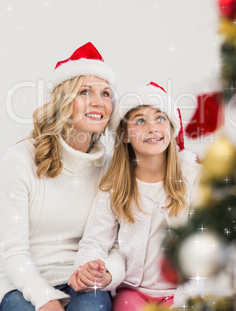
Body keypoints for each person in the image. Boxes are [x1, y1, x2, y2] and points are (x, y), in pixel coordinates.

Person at [0, 42, 125, 311]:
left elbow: (117, 246)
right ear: (63, 102)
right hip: (22, 283)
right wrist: (45, 299)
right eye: (85, 92)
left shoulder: (111, 167)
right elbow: (12, 252)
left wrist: (106, 274)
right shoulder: (20, 159)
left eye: (105, 93)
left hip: (80, 282)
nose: (98, 102)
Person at [68, 81, 203, 310]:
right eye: (140, 121)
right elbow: (95, 240)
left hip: (186, 292)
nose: (152, 127)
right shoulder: (115, 185)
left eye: (160, 118)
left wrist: (186, 299)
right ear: (124, 135)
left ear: (171, 128)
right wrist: (91, 268)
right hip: (133, 292)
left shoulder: (194, 178)